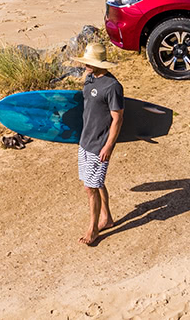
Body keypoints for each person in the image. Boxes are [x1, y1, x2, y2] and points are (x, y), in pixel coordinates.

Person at [72, 42, 124, 246]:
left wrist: (109, 145)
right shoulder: (90, 79)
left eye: (89, 63)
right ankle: (107, 218)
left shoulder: (112, 87)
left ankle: (93, 229)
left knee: (90, 188)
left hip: (99, 144)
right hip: (85, 140)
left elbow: (118, 118)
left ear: (101, 64)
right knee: (95, 182)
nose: (86, 65)